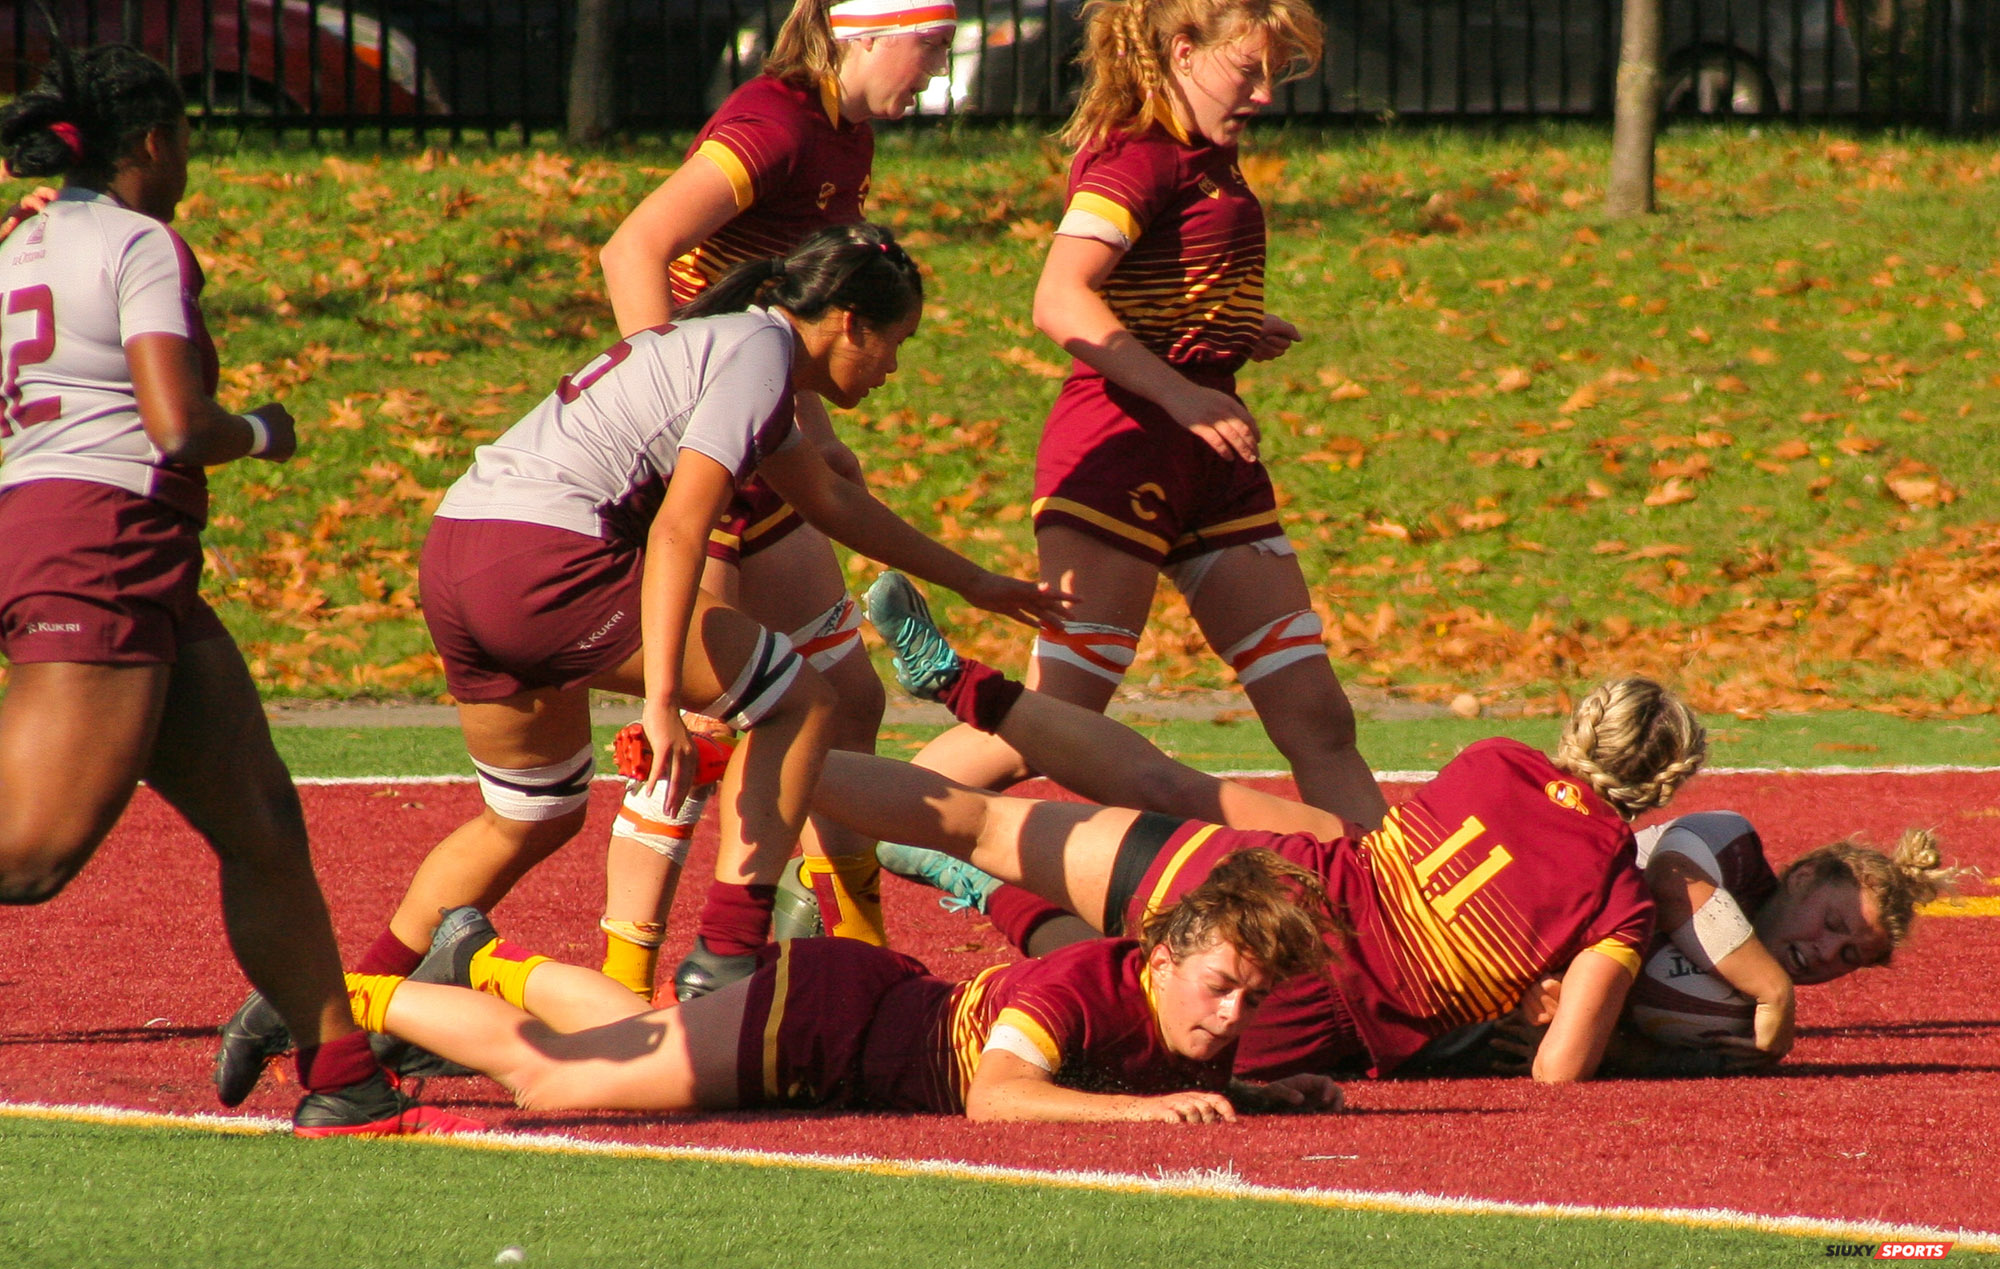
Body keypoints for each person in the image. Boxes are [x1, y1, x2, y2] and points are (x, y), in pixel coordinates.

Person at [215, 224, 978, 1090]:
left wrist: (980, 584)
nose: (893, 367)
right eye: (897, 342)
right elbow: (681, 526)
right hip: (541, 559)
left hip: (460, 549)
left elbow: (832, 502)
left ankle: (333, 1010)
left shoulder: (732, 348)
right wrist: (661, 701)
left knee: (531, 817)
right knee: (803, 702)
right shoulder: (757, 357)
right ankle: (726, 958)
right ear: (849, 321)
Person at [0, 42, 475, 1135]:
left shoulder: (26, 240)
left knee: (261, 819)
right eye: (184, 143)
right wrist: (264, 431)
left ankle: (343, 1075)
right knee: (31, 856)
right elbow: (176, 424)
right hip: (103, 537)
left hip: (90, 535)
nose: (186, 166)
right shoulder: (139, 241)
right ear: (152, 140)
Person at [597, 0, 1070, 999]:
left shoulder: (844, 134)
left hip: (761, 438)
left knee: (847, 701)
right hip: (711, 447)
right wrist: (669, 399)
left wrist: (814, 432)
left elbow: (794, 310)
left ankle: (852, 953)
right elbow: (632, 249)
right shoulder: (773, 122)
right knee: (703, 726)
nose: (934, 70)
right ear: (864, 34)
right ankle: (626, 982)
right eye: (927, 46)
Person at [813, 574, 1707, 1083]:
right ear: (1662, 786)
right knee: (1116, 984)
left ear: (1582, 727)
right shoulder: (1620, 899)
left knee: (1015, 813)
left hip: (1280, 869)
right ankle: (991, 891)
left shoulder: (1496, 759)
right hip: (1305, 988)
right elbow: (1558, 1069)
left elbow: (1403, 860)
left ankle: (816, 737)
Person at [892, 0, 1388, 850]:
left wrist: (1224, 331)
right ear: (1183, 52)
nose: (1264, 94)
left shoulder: (1207, 155)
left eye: (1274, 74)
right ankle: (843, 836)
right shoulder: (1138, 156)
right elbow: (1059, 298)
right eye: (1249, 71)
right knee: (1059, 715)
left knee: (1316, 715)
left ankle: (1393, 900)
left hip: (1211, 459)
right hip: (1123, 450)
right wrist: (1182, 393)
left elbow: (1158, 284)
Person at [341, 852, 1342, 1122]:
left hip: (854, 1016)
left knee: (641, 1033)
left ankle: (484, 960)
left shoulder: (1186, 1010)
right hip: (824, 1025)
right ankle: (343, 998)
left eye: (1251, 1000)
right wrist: (1148, 1113)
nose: (1230, 1015)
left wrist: (1258, 1093)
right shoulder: (1088, 980)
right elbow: (998, 1097)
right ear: (1161, 960)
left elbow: (1143, 1077)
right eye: (1220, 987)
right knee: (553, 1080)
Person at [1491, 813, 1953, 1078]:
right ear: (1804, 876)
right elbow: (1670, 882)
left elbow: (1631, 1055)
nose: (1826, 953)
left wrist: (1600, 1039)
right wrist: (1775, 990)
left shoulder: (1745, 1023)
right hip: (1491, 920)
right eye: (1832, 923)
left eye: (1849, 956)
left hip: (1493, 1015)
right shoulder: (1735, 847)